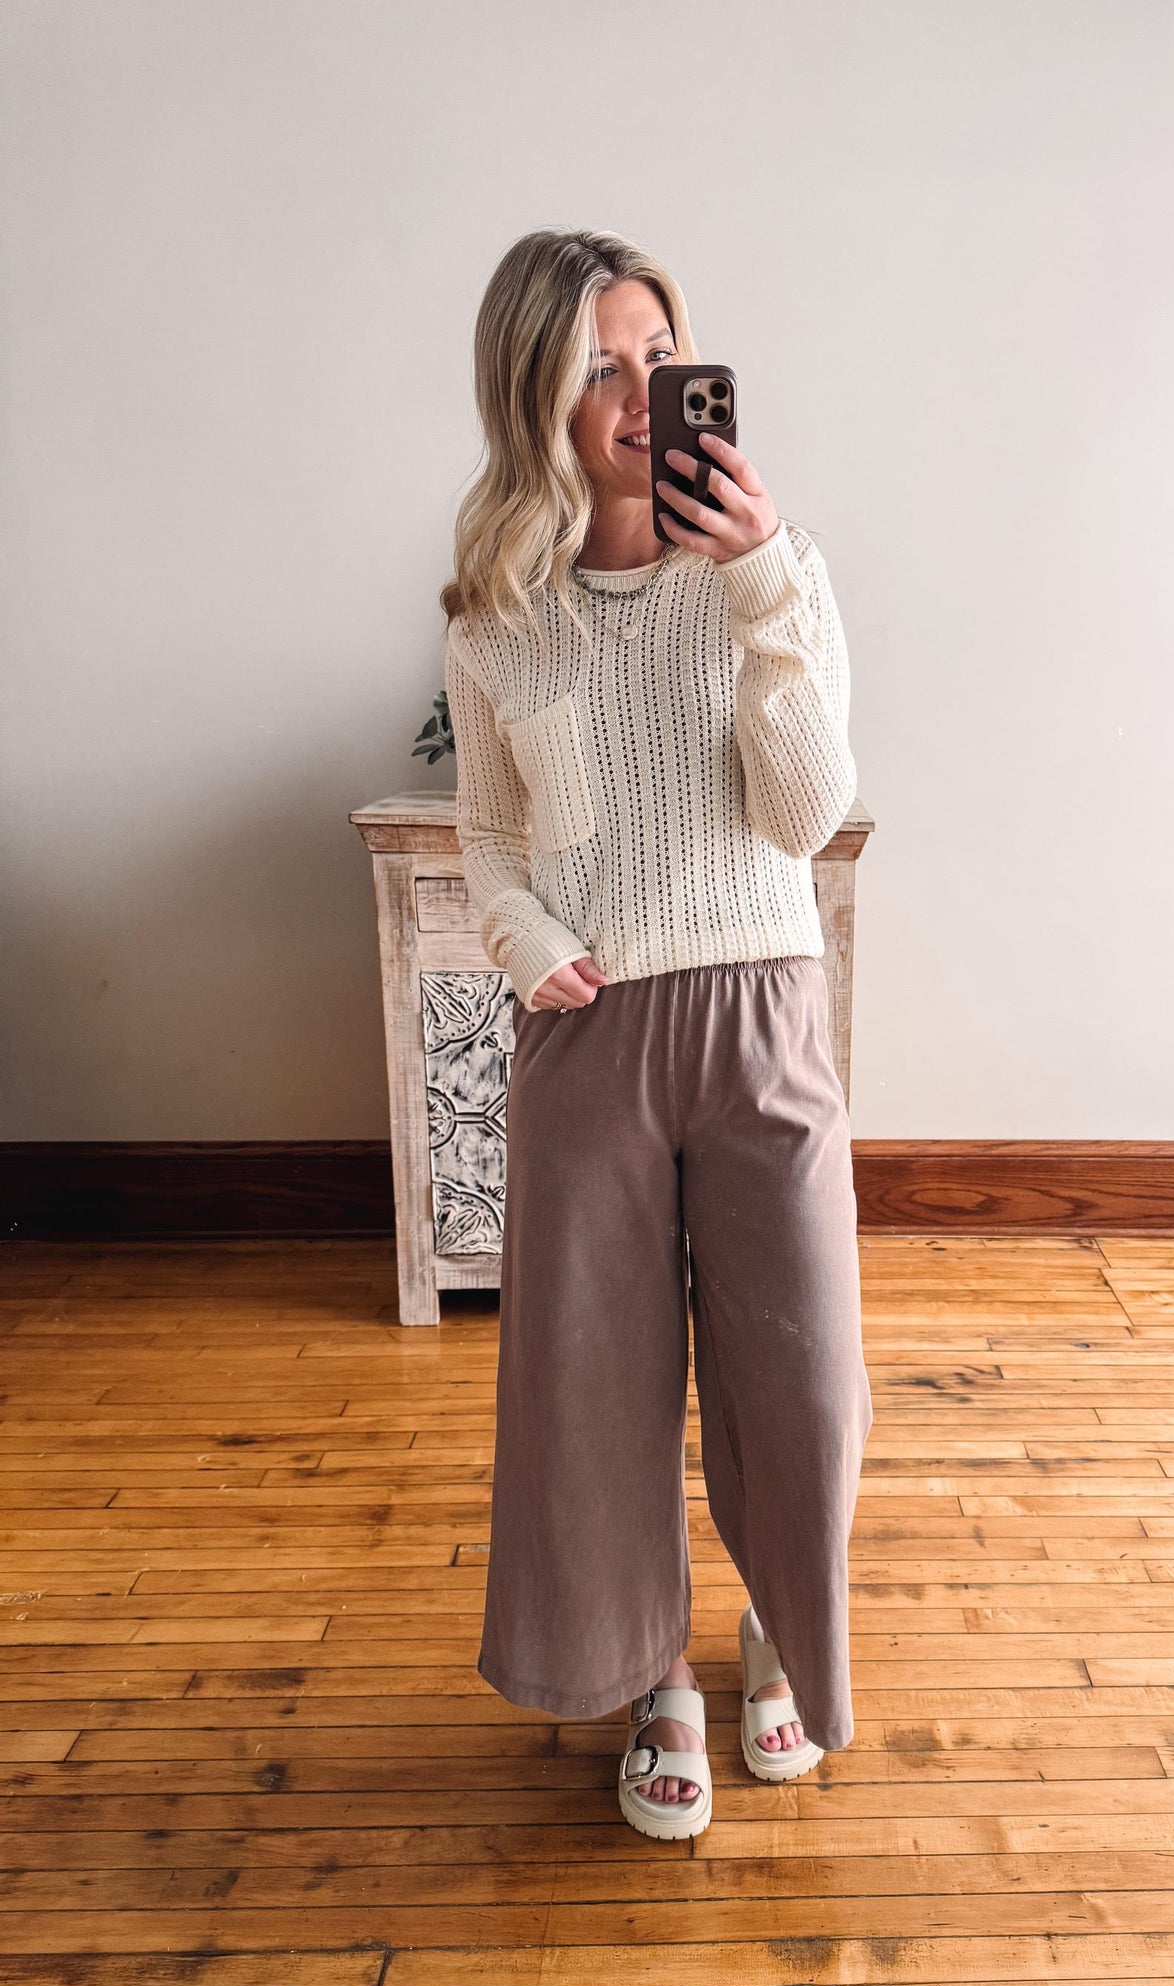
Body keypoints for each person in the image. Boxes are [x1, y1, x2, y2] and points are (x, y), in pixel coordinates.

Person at [439, 227, 872, 1841]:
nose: (638, 399)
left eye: (657, 360)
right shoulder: (497, 612)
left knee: (804, 1374)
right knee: (592, 1381)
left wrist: (758, 585)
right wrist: (528, 937)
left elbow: (810, 811)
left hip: (760, 1005)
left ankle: (776, 1629)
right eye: (599, 369)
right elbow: (487, 836)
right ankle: (652, 1680)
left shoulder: (776, 567)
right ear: (534, 393)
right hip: (591, 1027)